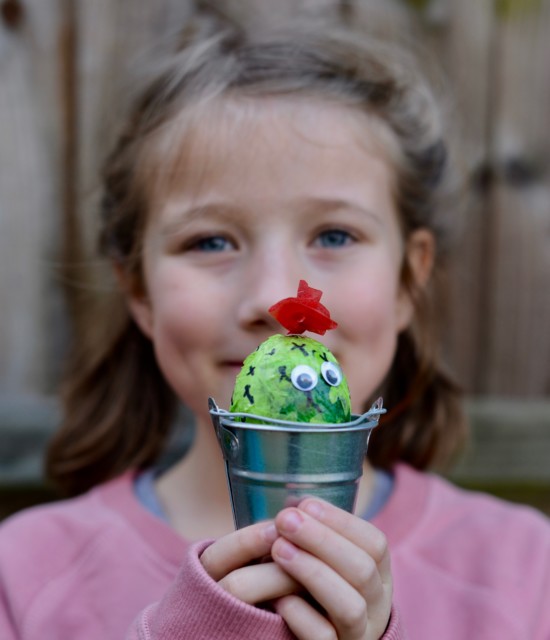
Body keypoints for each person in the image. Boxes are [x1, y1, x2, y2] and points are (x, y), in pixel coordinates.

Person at [1, 13, 549, 640]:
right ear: (139, 291)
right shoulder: (23, 576)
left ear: (408, 280)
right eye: (210, 241)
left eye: (334, 235)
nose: (272, 297)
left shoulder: (523, 572)